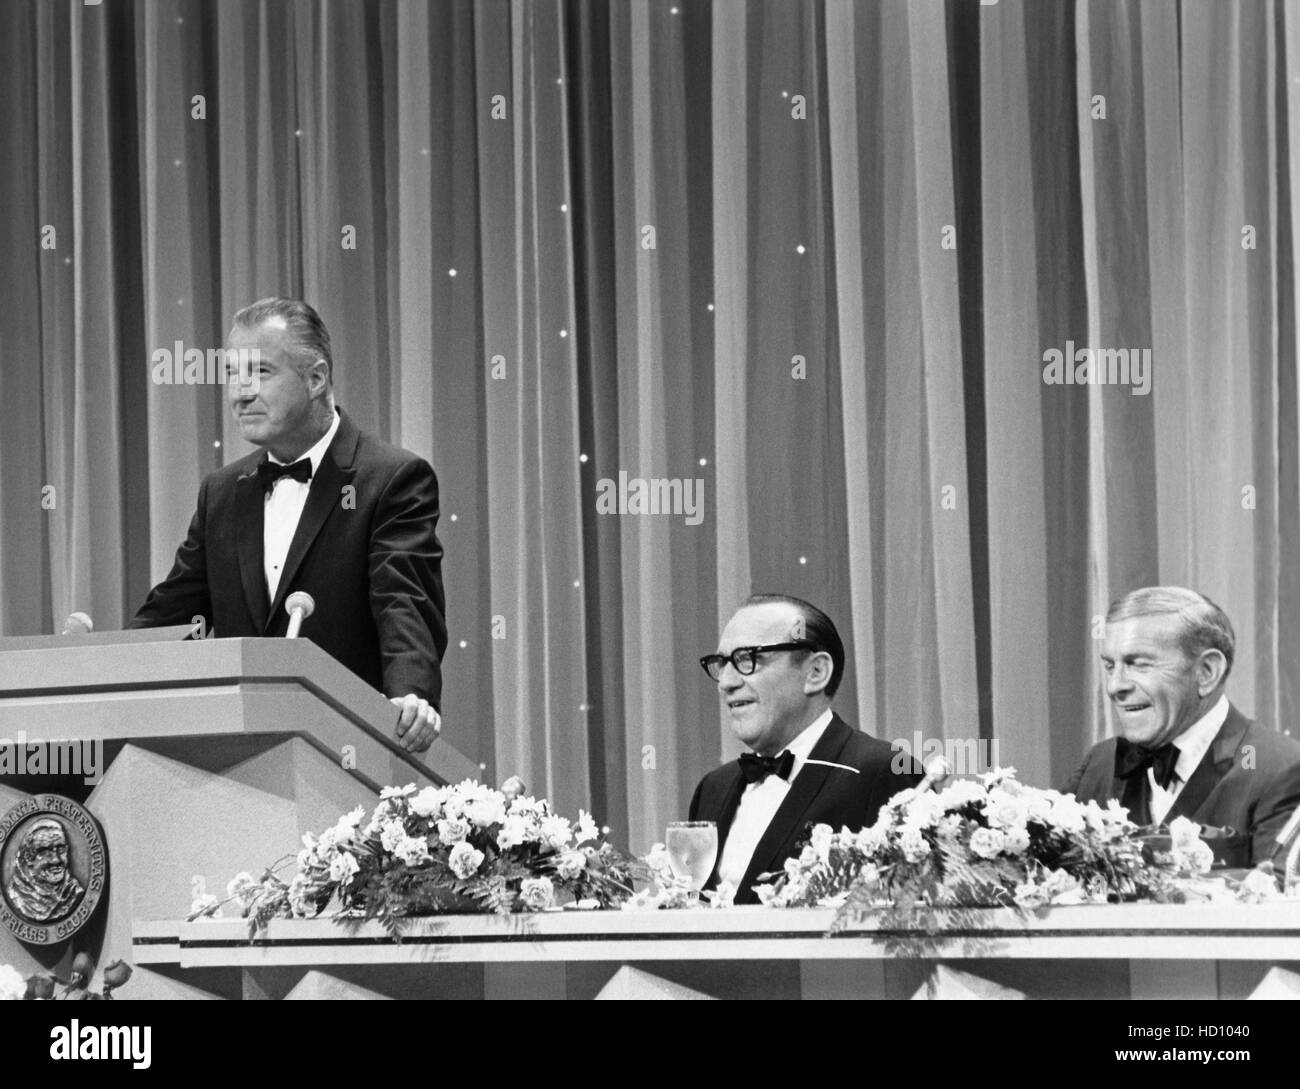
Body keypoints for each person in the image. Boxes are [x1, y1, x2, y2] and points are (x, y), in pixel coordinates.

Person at [130, 298, 446, 752]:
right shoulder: (221, 491)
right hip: (239, 761)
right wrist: (95, 669)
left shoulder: (392, 478)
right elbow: (175, 614)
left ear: (316, 378)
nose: (239, 393)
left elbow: (404, 602)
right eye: (233, 374)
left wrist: (409, 695)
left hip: (351, 756)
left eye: (259, 373)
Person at [689, 594, 920, 903]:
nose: (726, 683)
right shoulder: (713, 788)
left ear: (815, 673)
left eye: (747, 659)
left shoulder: (883, 771)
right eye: (721, 664)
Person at [1066, 586, 1300, 865]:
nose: (1115, 686)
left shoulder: (1280, 768)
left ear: (1207, 672)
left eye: (1139, 664)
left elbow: (1282, 900)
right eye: (1109, 666)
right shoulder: (1099, 763)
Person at [5, 819, 84, 923]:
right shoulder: (16, 895)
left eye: (60, 849)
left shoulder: (73, 891)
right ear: (28, 857)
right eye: (46, 851)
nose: (56, 859)